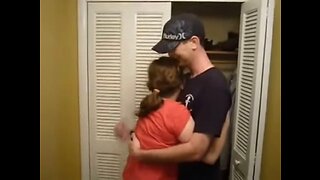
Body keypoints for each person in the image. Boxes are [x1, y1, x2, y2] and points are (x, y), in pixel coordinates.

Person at [128, 13, 232, 180]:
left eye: (173, 48)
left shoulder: (215, 85)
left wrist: (141, 155)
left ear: (194, 42)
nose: (170, 55)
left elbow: (200, 151)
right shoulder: (185, 79)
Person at [117, 56, 195, 180]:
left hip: (132, 175)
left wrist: (129, 133)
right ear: (181, 84)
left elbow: (147, 138)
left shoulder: (150, 105)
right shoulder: (178, 112)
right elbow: (195, 148)